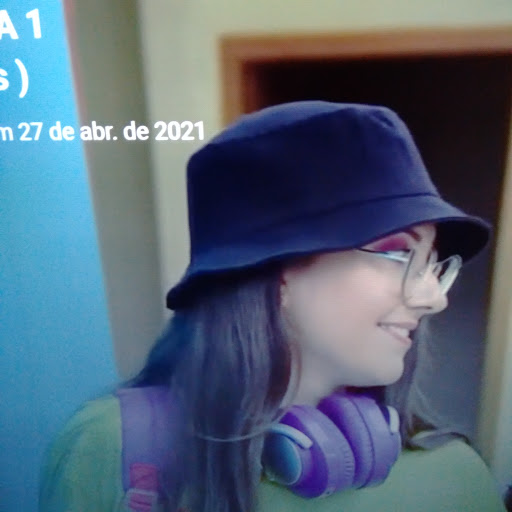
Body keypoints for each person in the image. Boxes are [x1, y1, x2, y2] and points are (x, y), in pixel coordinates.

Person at [39, 101, 506, 512]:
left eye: (432, 265)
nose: (434, 298)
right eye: (398, 253)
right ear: (277, 272)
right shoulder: (113, 451)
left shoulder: (455, 477)